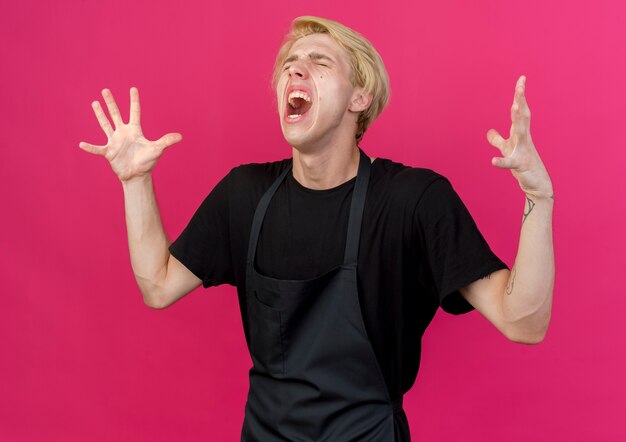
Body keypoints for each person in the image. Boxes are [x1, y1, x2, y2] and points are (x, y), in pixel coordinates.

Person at [79, 15, 554, 442]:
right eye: (289, 62)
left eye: (318, 61)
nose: (295, 69)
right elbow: (157, 286)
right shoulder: (244, 195)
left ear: (360, 98)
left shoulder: (412, 201)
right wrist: (136, 181)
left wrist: (539, 198)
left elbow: (524, 322)